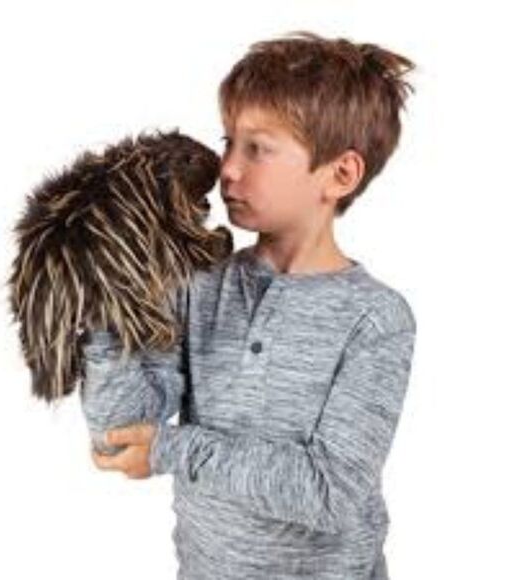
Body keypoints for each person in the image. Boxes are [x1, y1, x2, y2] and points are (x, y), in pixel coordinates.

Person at [88, 31, 418, 580]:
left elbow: (331, 491)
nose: (227, 168)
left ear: (340, 174)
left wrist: (174, 450)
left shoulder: (376, 320)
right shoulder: (198, 286)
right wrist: (105, 297)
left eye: (257, 149)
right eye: (229, 143)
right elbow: (119, 434)